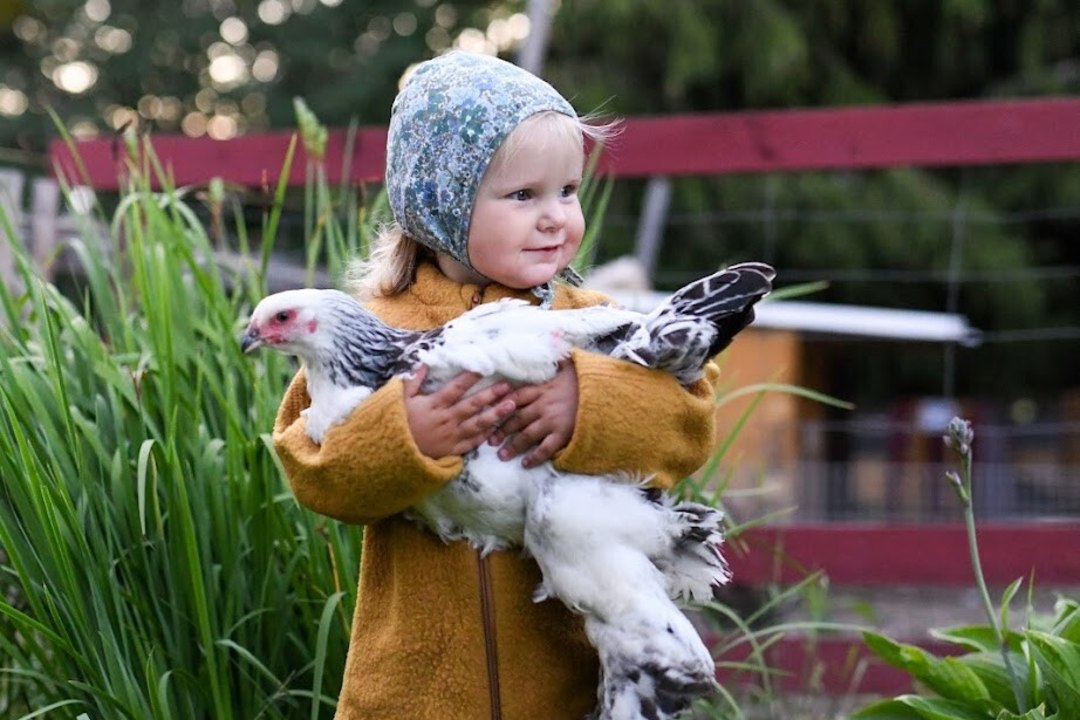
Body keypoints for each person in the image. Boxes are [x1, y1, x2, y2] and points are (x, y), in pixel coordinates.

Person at [271, 51, 721, 720]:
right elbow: (315, 470)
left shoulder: (584, 319)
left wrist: (585, 405)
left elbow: (688, 417)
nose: (555, 217)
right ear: (441, 206)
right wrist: (406, 436)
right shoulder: (365, 331)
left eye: (567, 192)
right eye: (523, 195)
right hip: (416, 693)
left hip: (560, 680)